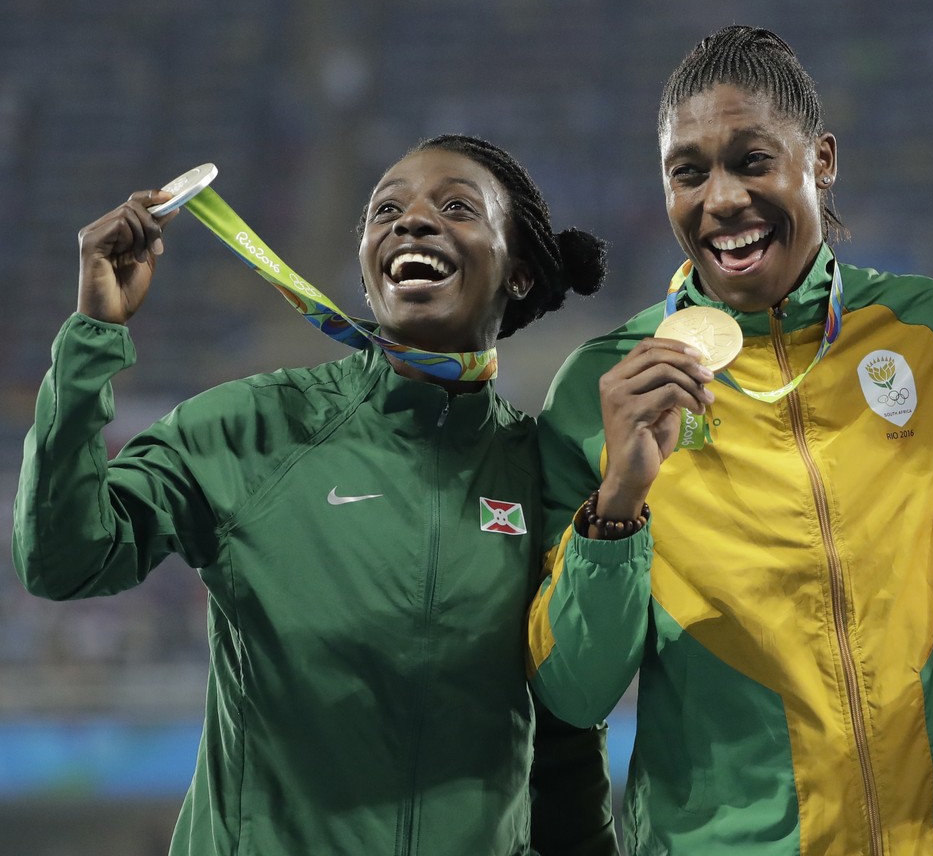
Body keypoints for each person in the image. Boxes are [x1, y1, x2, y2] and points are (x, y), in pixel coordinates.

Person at [13, 134, 620, 855]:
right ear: (368, 269)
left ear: (519, 272)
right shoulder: (254, 428)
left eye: (456, 207)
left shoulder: (545, 473)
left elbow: (563, 745)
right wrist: (92, 339)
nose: (412, 221)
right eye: (385, 210)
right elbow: (63, 559)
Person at [527, 26, 933, 855]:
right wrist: (616, 506)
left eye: (752, 160)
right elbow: (576, 693)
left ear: (821, 160)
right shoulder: (602, 389)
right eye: (687, 172)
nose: (720, 199)